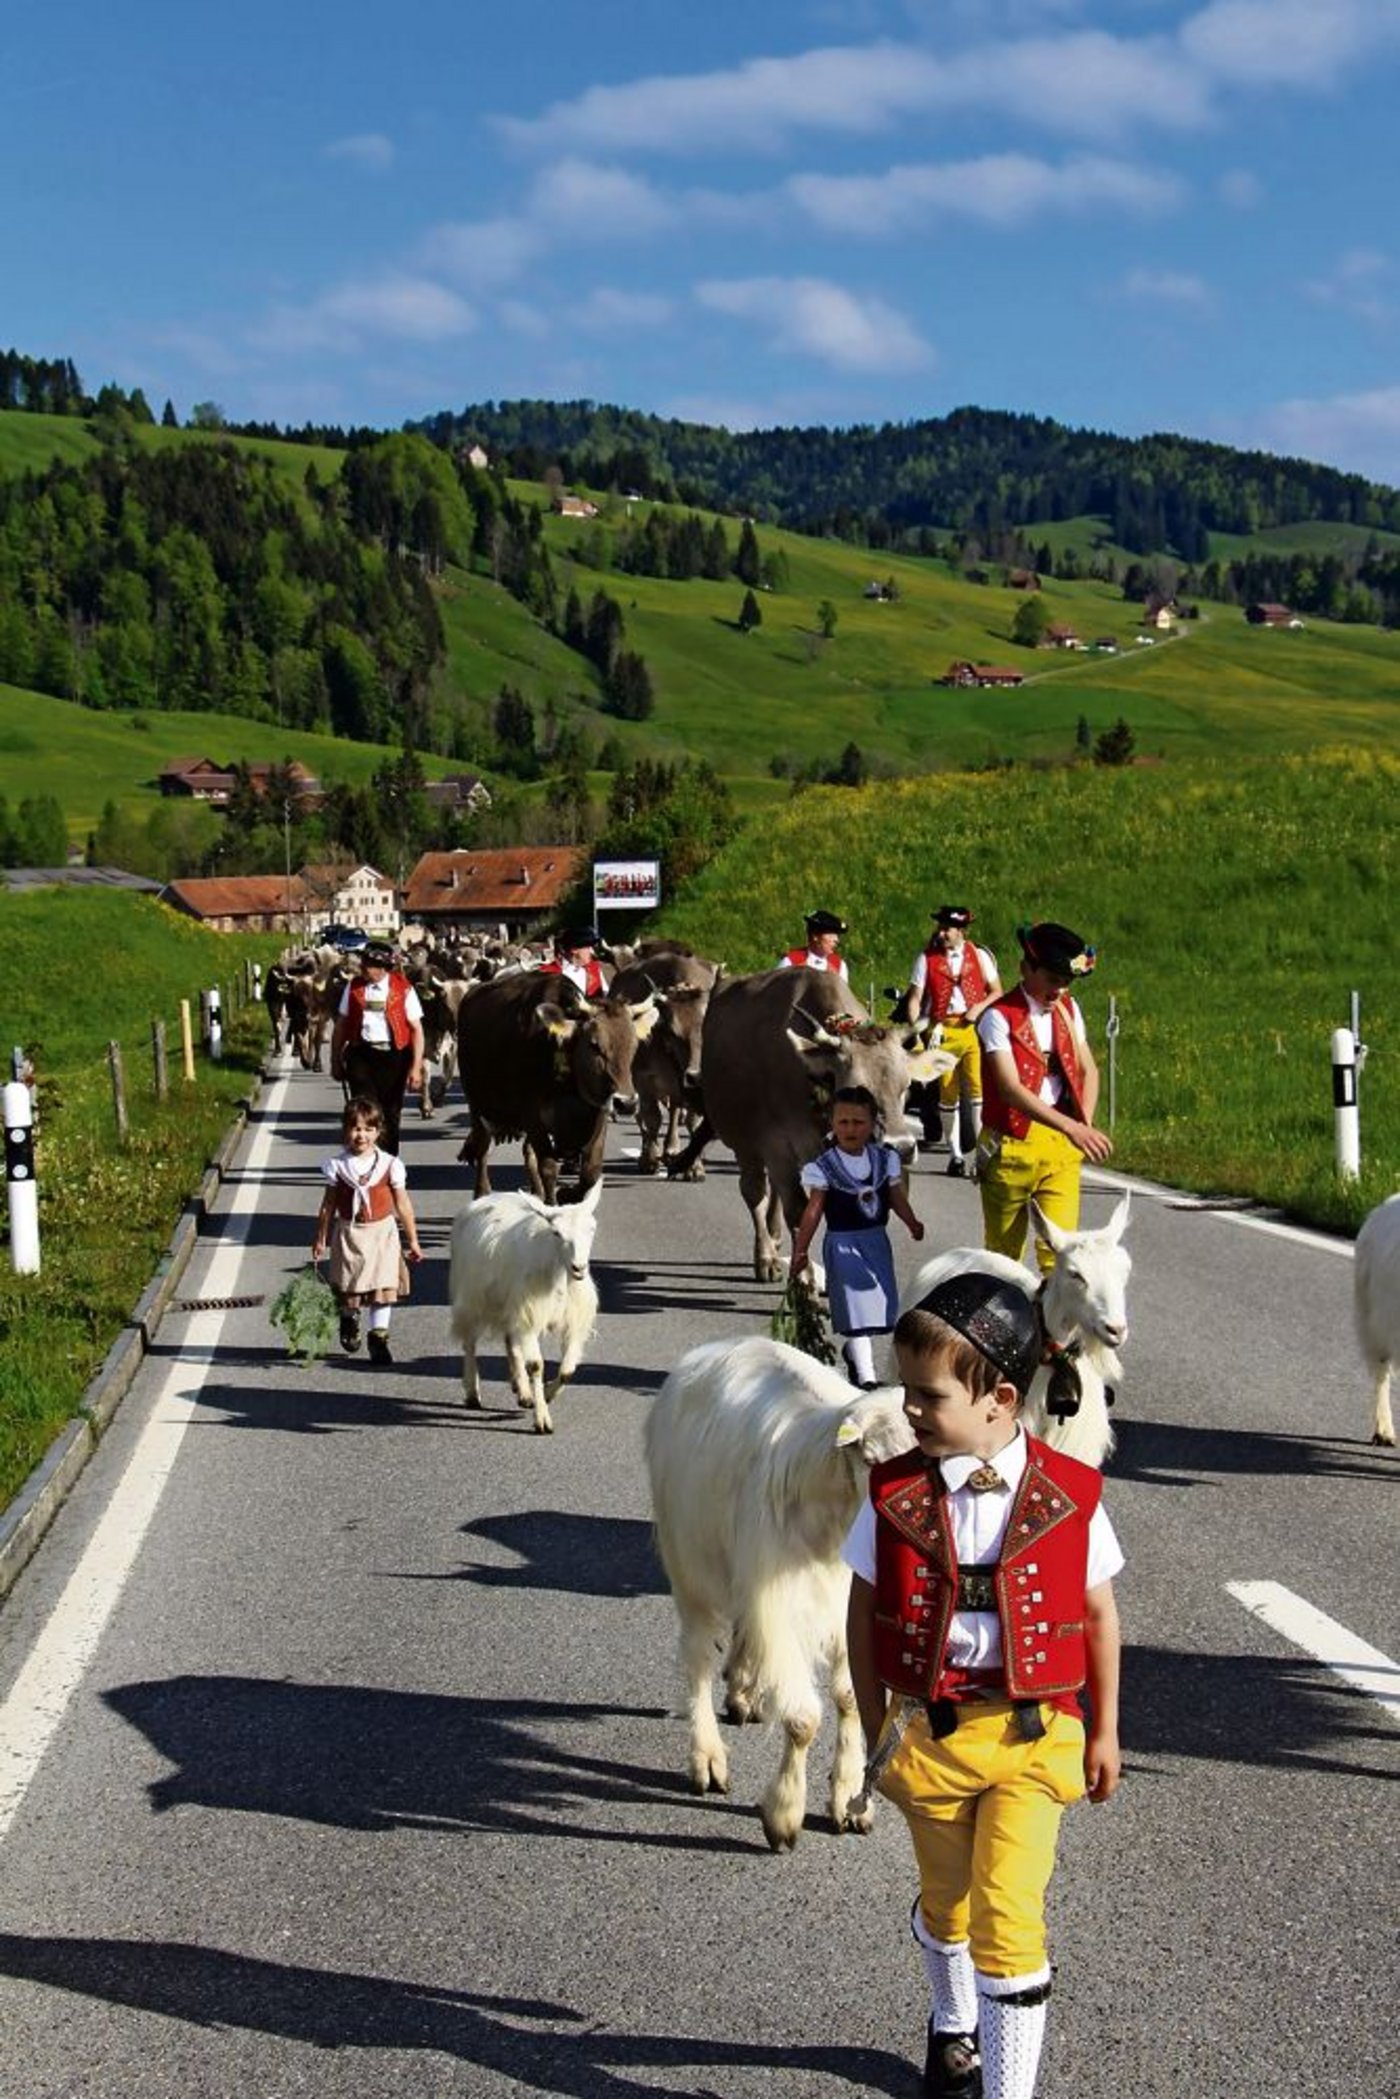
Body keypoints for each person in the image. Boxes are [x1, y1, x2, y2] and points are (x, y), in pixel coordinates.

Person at [844, 1270, 1123, 2099]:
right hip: (931, 1738)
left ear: (1001, 1399)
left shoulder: (1070, 1494)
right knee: (948, 1902)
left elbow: (1098, 1615)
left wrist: (1106, 1728)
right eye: (905, 1389)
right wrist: (874, 1724)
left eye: (928, 1395)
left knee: (1009, 1915)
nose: (909, 1408)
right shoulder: (893, 1492)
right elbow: (862, 1612)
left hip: (1035, 1740)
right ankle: (952, 2019)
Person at [974, 922, 1112, 1276]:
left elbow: (1089, 1071)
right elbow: (1009, 1088)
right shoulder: (997, 1017)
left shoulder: (1069, 1009)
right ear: (1025, 969)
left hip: (1060, 1145)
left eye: (1066, 982)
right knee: (1003, 1259)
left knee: (1064, 1255)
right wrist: (1072, 1127)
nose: (1059, 990)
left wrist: (1083, 1125)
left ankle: (1054, 1314)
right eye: (1052, 980)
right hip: (1011, 1145)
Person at [790, 1084, 925, 1389]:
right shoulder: (824, 1167)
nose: (850, 1129)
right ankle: (866, 1375)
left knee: (880, 1304)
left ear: (873, 1124)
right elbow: (813, 1211)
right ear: (832, 1124)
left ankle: (853, 1353)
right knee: (855, 1304)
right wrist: (801, 1249)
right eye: (843, 1122)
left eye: (859, 1122)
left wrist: (911, 1222)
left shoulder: (884, 1160)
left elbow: (896, 1197)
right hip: (843, 1243)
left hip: (875, 1241)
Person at [312, 1094, 423, 1365]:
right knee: (350, 1290)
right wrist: (321, 1237)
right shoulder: (338, 1166)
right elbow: (328, 1205)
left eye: (368, 1129)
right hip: (350, 1234)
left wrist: (413, 1240)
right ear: (345, 1130)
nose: (361, 1135)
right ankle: (349, 1319)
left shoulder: (389, 1165)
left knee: (383, 1289)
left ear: (378, 1131)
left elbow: (403, 1204)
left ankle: (378, 1339)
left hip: (383, 1233)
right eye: (355, 1128)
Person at [904, 906, 1003, 1177]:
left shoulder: (980, 956)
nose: (941, 933)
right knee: (947, 1092)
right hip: (942, 1031)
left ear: (961, 931)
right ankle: (955, 1154)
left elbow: (997, 991)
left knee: (977, 1090)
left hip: (972, 1030)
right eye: (940, 927)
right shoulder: (926, 959)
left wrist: (978, 1008)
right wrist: (917, 1033)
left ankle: (980, 1155)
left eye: (946, 928)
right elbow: (915, 998)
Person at [331, 942, 425, 1155]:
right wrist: (335, 1059)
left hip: (394, 1057)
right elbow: (341, 1024)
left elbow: (416, 1029)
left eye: (369, 964)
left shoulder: (403, 989)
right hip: (361, 1054)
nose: (363, 968)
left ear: (383, 968)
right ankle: (364, 1158)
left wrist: (416, 1067)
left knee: (391, 1112)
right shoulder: (353, 987)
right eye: (364, 963)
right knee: (364, 1110)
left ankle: (388, 1160)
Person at [778, 909, 849, 979]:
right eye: (831, 935)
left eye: (837, 936)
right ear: (815, 936)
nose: (836, 940)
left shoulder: (839, 966)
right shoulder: (791, 962)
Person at [540, 925, 607, 998]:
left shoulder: (594, 968)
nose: (592, 952)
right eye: (588, 947)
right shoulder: (547, 973)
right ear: (574, 950)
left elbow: (606, 996)